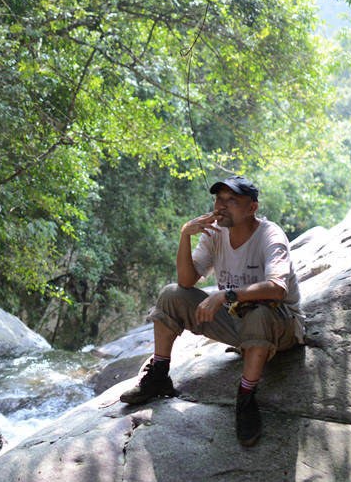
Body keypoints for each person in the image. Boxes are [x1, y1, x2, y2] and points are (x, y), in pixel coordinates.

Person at [119, 176, 302, 447]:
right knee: (171, 295)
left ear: (252, 208)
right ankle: (158, 375)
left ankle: (246, 398)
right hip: (237, 321)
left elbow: (277, 289)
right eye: (219, 199)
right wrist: (185, 235)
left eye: (232, 200)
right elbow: (186, 281)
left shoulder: (270, 235)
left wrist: (226, 295)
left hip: (280, 325)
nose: (221, 206)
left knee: (259, 313)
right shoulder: (215, 233)